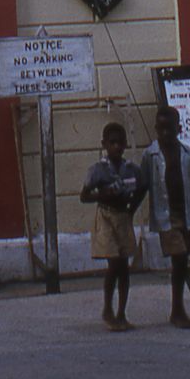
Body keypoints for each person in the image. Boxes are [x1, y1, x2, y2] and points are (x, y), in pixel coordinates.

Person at [140, 104, 190, 328]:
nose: (165, 134)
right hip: (167, 217)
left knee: (184, 261)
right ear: (156, 129)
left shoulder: (187, 153)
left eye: (170, 129)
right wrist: (129, 211)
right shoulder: (150, 155)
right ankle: (177, 310)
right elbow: (143, 185)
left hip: (186, 214)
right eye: (161, 129)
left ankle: (179, 308)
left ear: (178, 128)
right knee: (179, 259)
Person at [81, 121, 144, 330]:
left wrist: (132, 208)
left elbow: (143, 187)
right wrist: (102, 194)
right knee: (114, 263)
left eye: (120, 143)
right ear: (104, 144)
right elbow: (85, 196)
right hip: (106, 217)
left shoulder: (131, 170)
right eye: (112, 143)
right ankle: (108, 307)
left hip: (123, 218)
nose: (117, 147)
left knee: (124, 267)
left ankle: (122, 313)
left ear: (125, 144)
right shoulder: (98, 170)